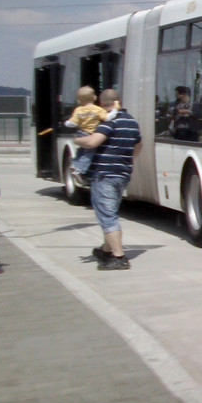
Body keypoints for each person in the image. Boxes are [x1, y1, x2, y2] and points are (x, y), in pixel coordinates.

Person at [75, 89, 142, 271]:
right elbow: (139, 145)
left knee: (107, 216)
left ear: (101, 103)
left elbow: (92, 142)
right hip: (123, 173)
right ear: (118, 100)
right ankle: (106, 249)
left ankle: (118, 256)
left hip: (105, 174)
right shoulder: (132, 121)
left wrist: (78, 141)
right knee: (110, 211)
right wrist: (127, 161)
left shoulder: (108, 121)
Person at [65, 86, 112, 184]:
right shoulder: (98, 109)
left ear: (78, 100)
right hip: (91, 134)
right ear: (95, 98)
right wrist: (115, 111)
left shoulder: (78, 110)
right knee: (88, 154)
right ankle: (80, 170)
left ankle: (74, 165)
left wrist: (67, 123)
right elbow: (107, 118)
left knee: (81, 151)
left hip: (81, 133)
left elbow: (73, 123)